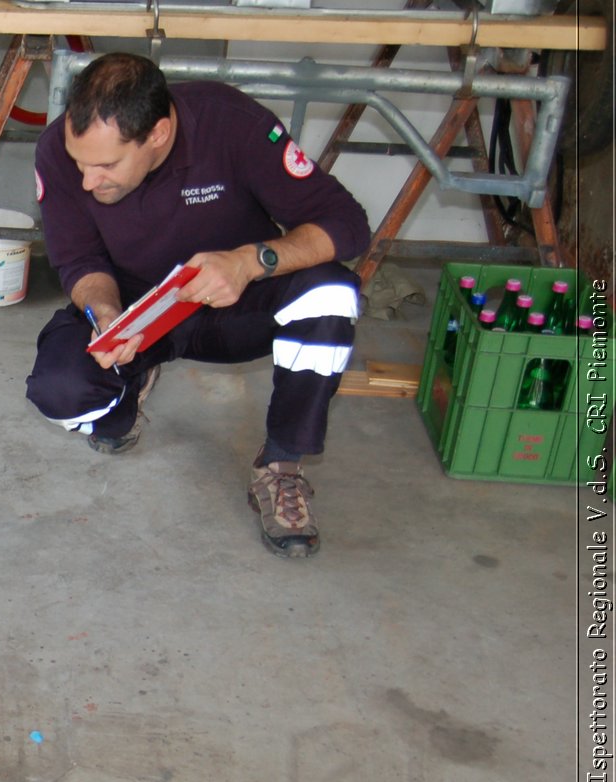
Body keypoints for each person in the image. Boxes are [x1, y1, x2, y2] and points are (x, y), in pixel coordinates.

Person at [27, 53, 371, 558]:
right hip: (140, 313)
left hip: (239, 298)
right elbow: (78, 259)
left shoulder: (230, 123)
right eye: (81, 163)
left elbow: (346, 223)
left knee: (333, 293)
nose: (87, 180)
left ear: (159, 134)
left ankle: (281, 464)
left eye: (106, 165)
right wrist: (108, 318)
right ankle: (129, 395)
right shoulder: (56, 151)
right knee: (60, 390)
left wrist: (251, 261)